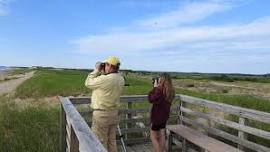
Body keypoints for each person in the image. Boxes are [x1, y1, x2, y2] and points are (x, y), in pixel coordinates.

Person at [85, 56, 125, 152]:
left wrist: (96, 70)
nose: (104, 67)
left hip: (102, 115)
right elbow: (107, 80)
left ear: (110, 66)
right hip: (113, 113)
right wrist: (103, 72)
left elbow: (88, 83)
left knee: (100, 141)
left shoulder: (104, 79)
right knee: (111, 141)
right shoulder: (121, 79)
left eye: (106, 65)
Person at [148, 73, 175, 152]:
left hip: (156, 118)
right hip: (164, 117)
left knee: (153, 136)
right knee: (162, 135)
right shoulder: (170, 91)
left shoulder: (159, 91)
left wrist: (155, 88)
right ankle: (161, 150)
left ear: (162, 80)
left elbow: (151, 99)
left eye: (159, 79)